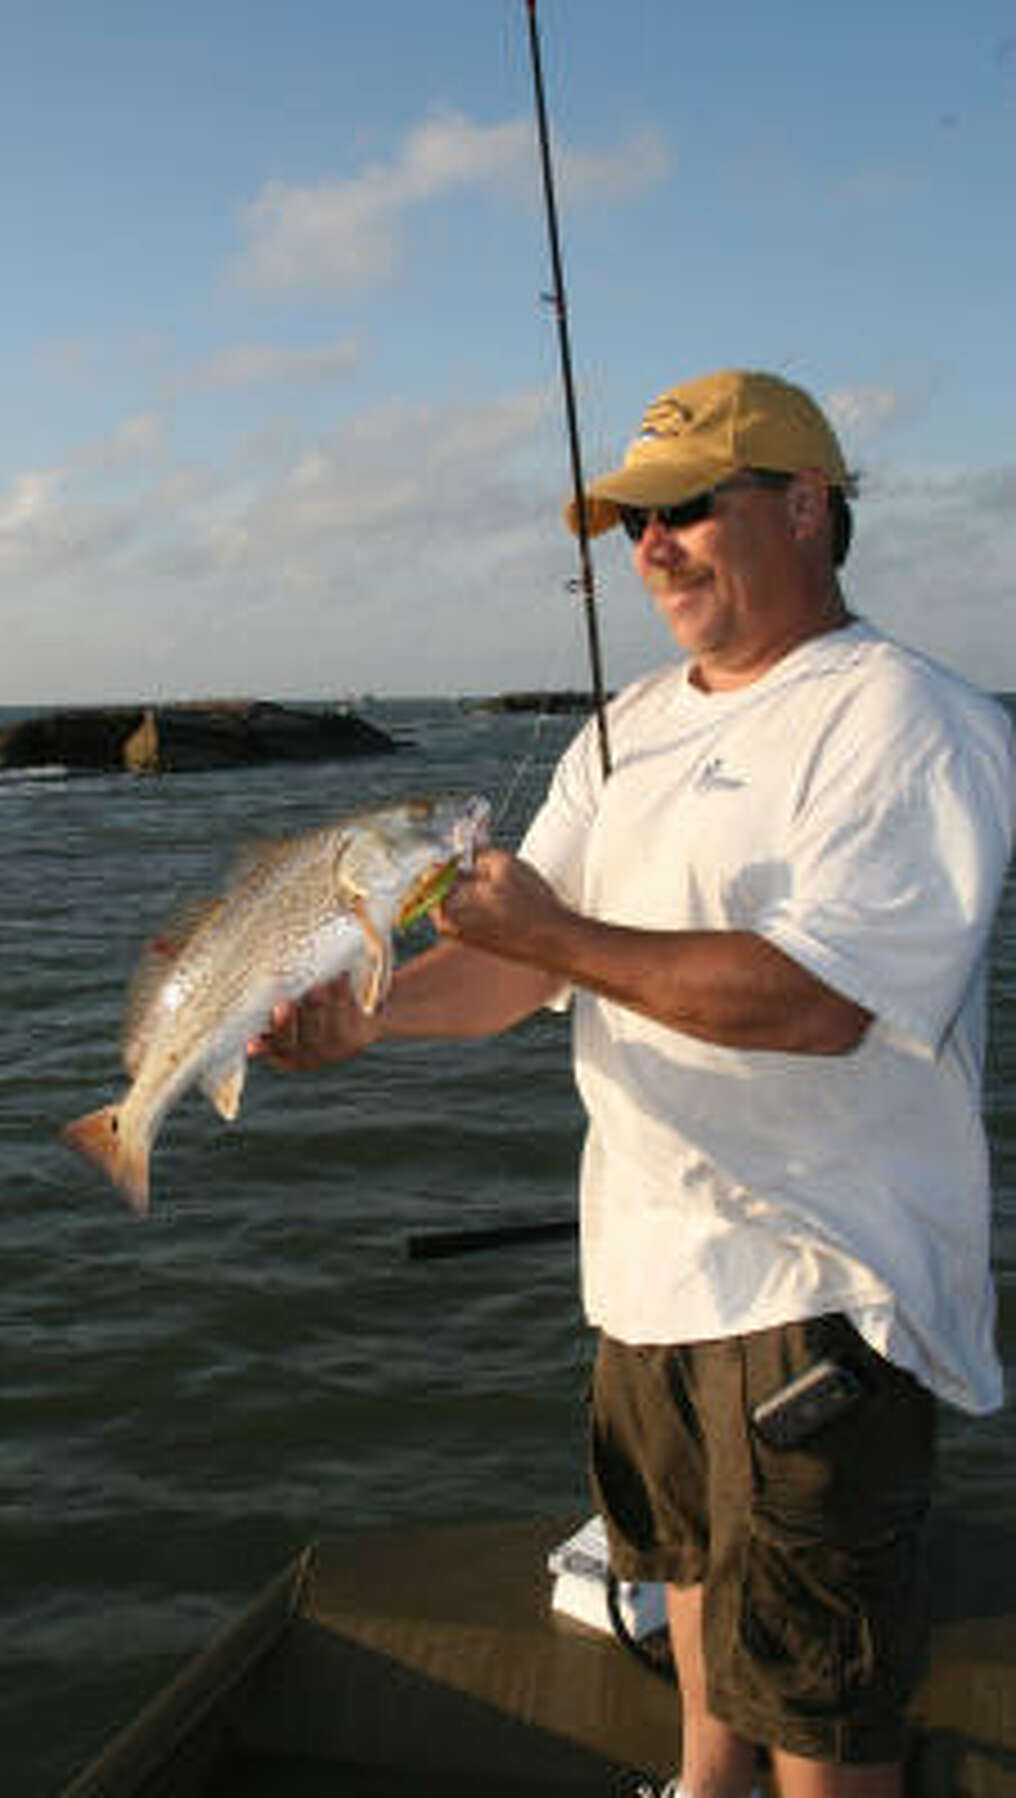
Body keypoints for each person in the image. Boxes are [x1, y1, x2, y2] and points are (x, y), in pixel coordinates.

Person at [251, 369, 1016, 1798]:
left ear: (805, 505)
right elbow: (526, 971)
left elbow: (821, 1003)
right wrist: (368, 1020)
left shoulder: (912, 721)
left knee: (825, 1703)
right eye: (629, 524)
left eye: (681, 509)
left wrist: (556, 933)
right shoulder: (632, 721)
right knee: (695, 1596)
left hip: (818, 1288)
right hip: (648, 1274)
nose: (649, 547)